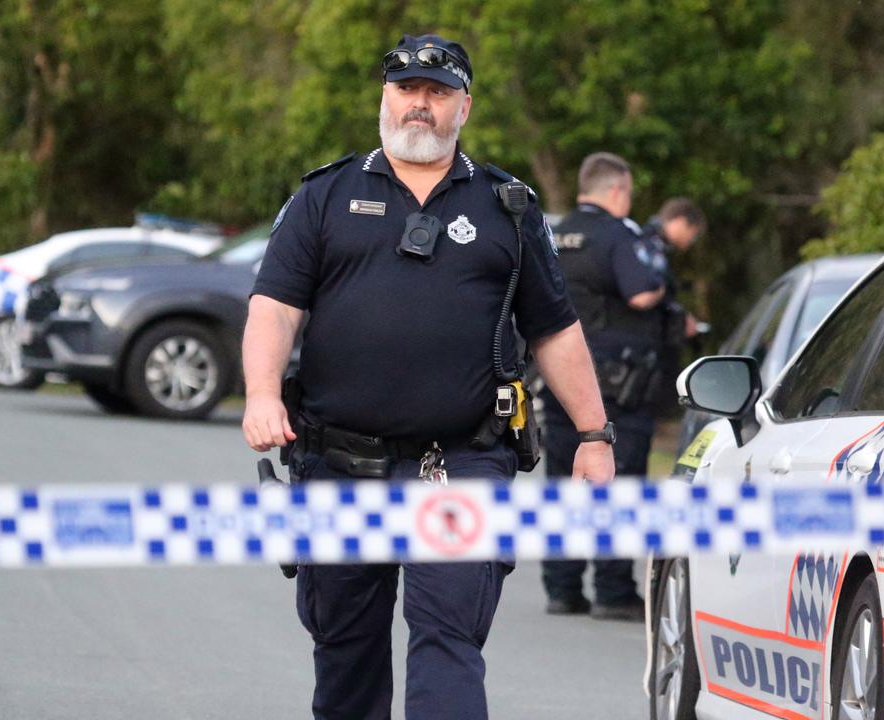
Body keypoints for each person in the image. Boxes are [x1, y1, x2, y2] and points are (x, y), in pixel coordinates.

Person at [241, 34, 616, 720]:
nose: (421, 105)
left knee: (448, 640)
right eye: (407, 89)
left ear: (463, 108)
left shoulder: (509, 206)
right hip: (338, 461)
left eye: (438, 94)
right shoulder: (324, 197)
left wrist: (593, 432)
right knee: (346, 650)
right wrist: (262, 393)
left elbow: (555, 329)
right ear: (384, 98)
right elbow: (274, 306)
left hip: (463, 462)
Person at [540, 152, 665, 621]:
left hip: (555, 379)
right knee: (620, 482)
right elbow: (640, 292)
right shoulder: (617, 235)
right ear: (616, 191)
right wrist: (662, 288)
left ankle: (562, 587)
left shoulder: (550, 233)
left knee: (562, 483)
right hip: (614, 385)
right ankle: (613, 590)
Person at [638, 197, 707, 415]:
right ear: (680, 222)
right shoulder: (649, 245)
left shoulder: (654, 244)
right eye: (693, 233)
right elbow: (650, 291)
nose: (691, 241)